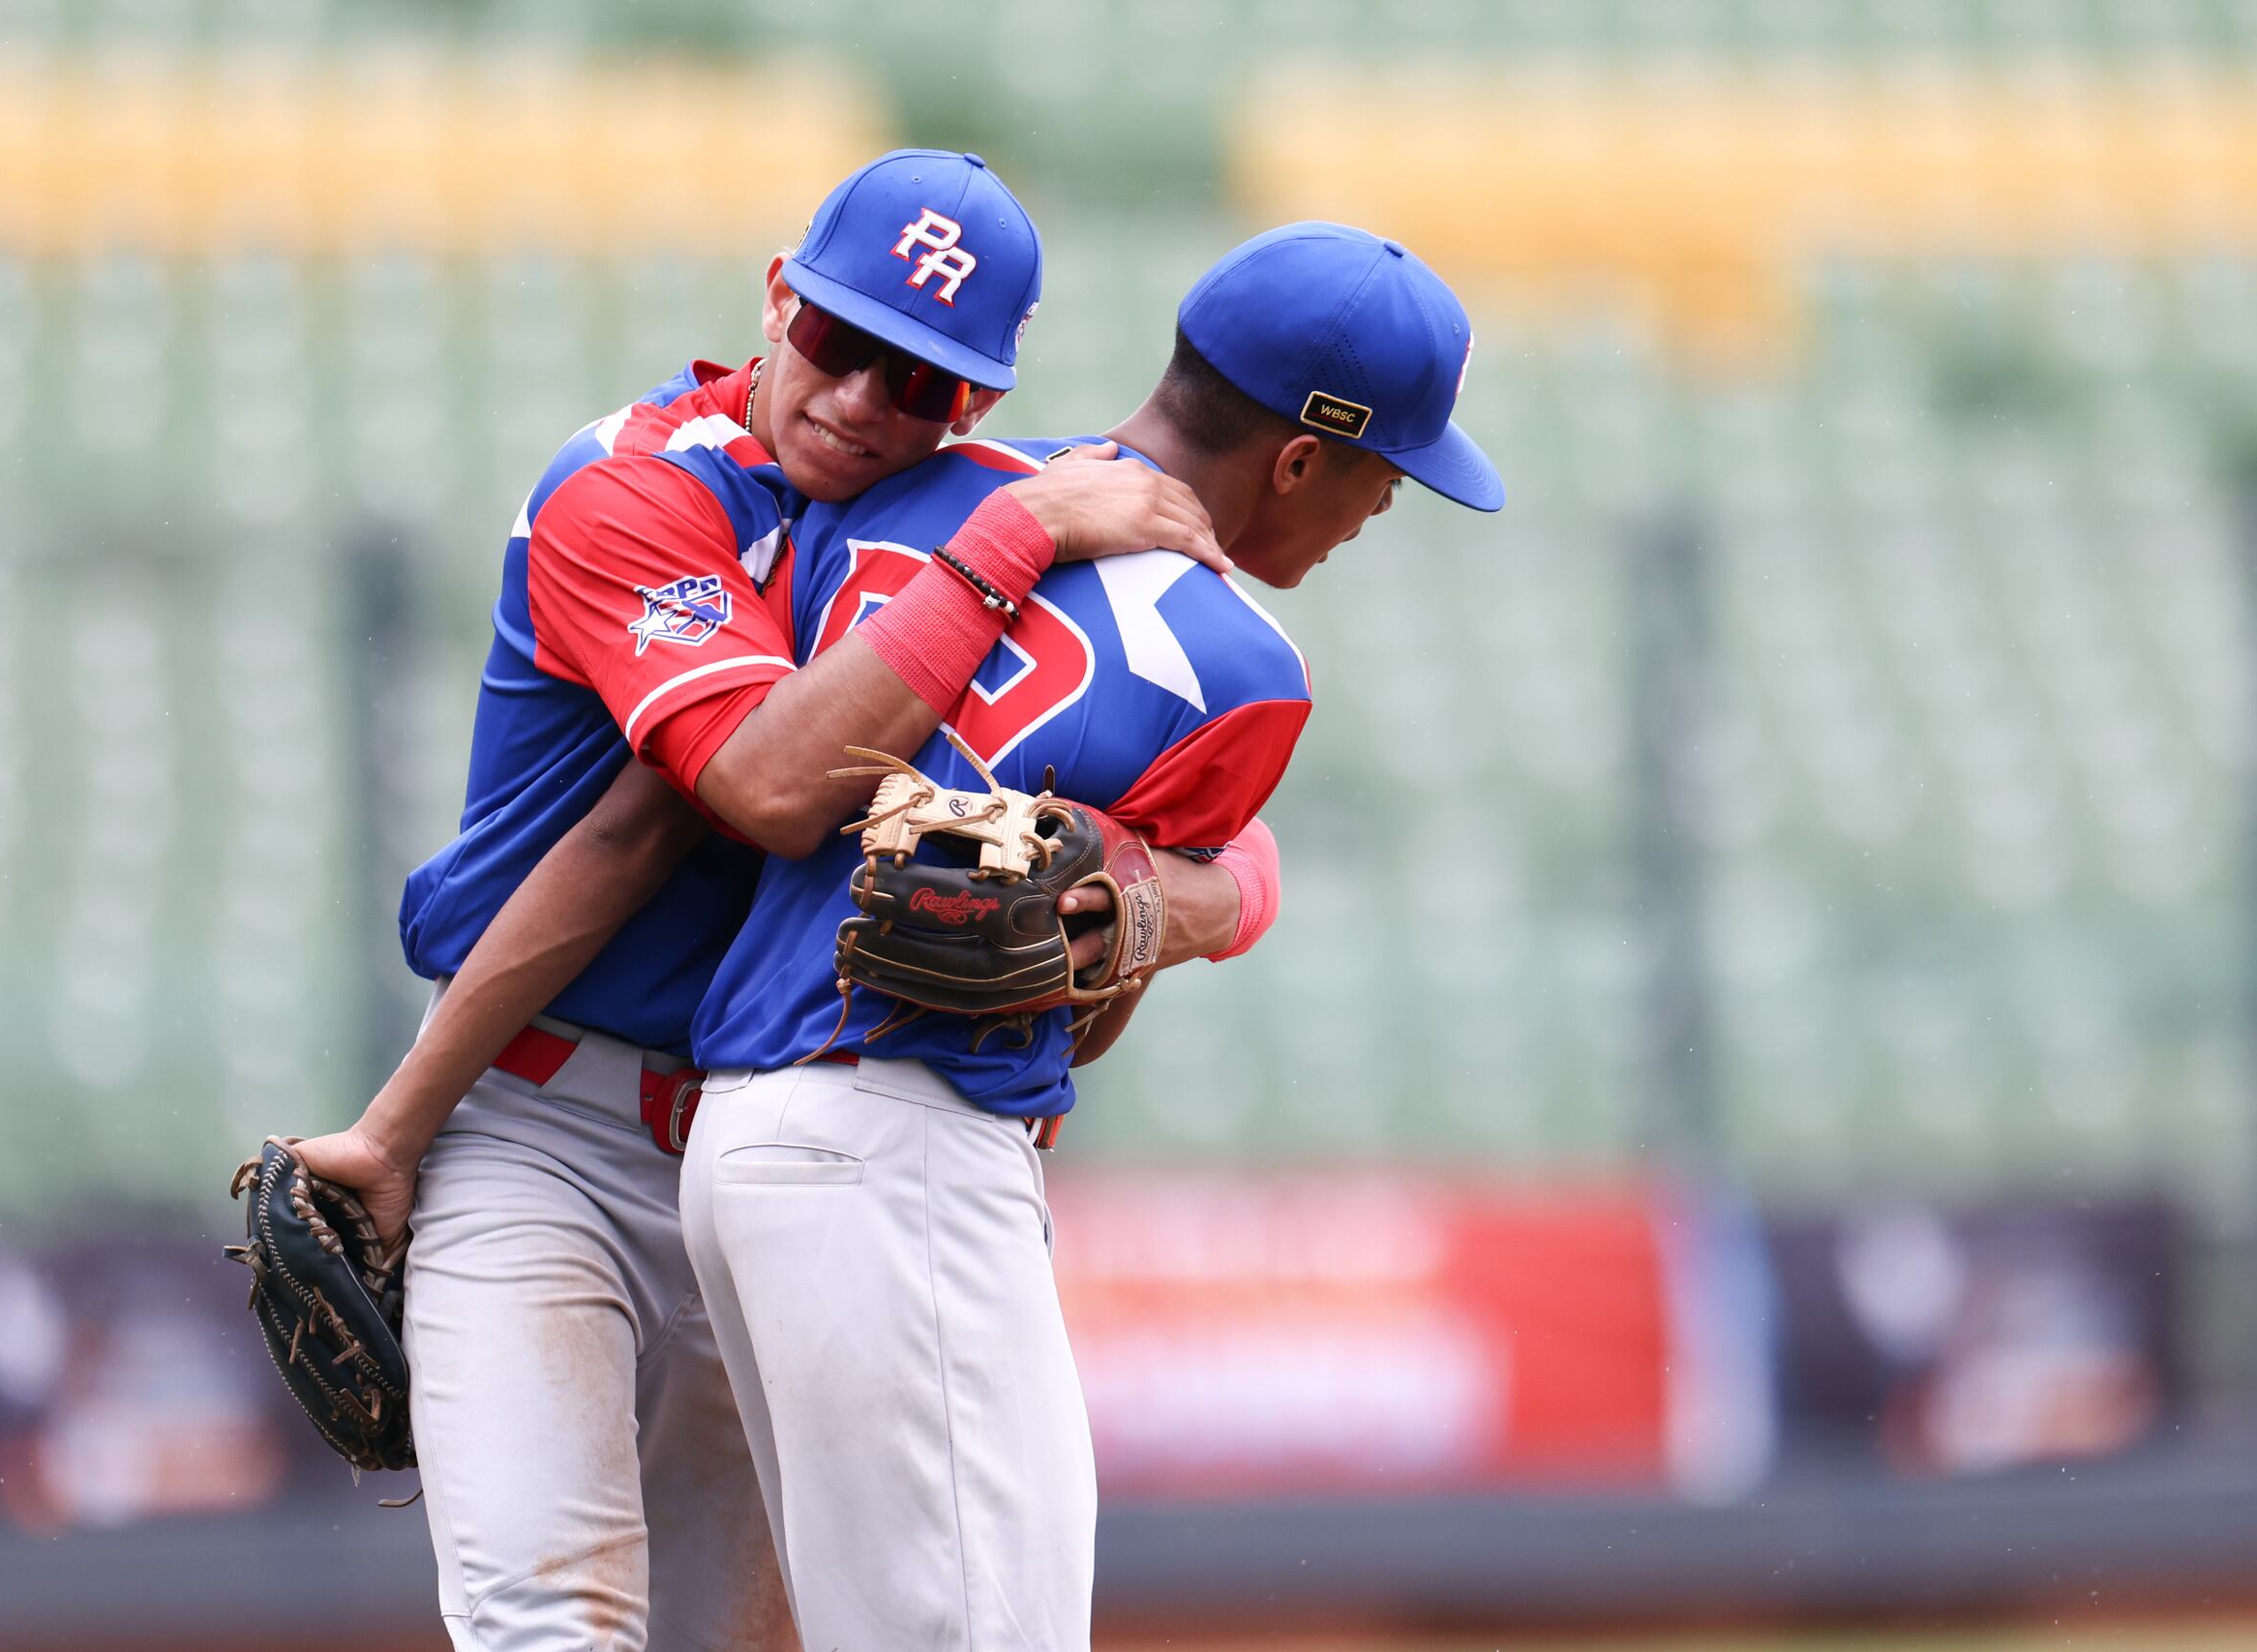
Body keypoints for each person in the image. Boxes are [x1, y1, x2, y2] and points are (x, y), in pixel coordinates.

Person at [286, 149, 1269, 1651]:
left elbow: (1218, 814)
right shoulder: (639, 486)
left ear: (977, 403)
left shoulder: (955, 521)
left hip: (767, 1163)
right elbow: (725, 795)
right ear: (774, 299)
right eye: (838, 337)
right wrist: (399, 1130)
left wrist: (1182, 896)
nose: (861, 399)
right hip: (537, 1126)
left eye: (920, 379)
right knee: (547, 1621)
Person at [677, 222, 1504, 1650]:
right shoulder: (1246, 669)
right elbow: (1083, 996)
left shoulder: (919, 490)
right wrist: (1216, 894)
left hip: (736, 1135)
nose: (1380, 507)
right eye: (1384, 471)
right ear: (1299, 460)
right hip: (910, 1148)